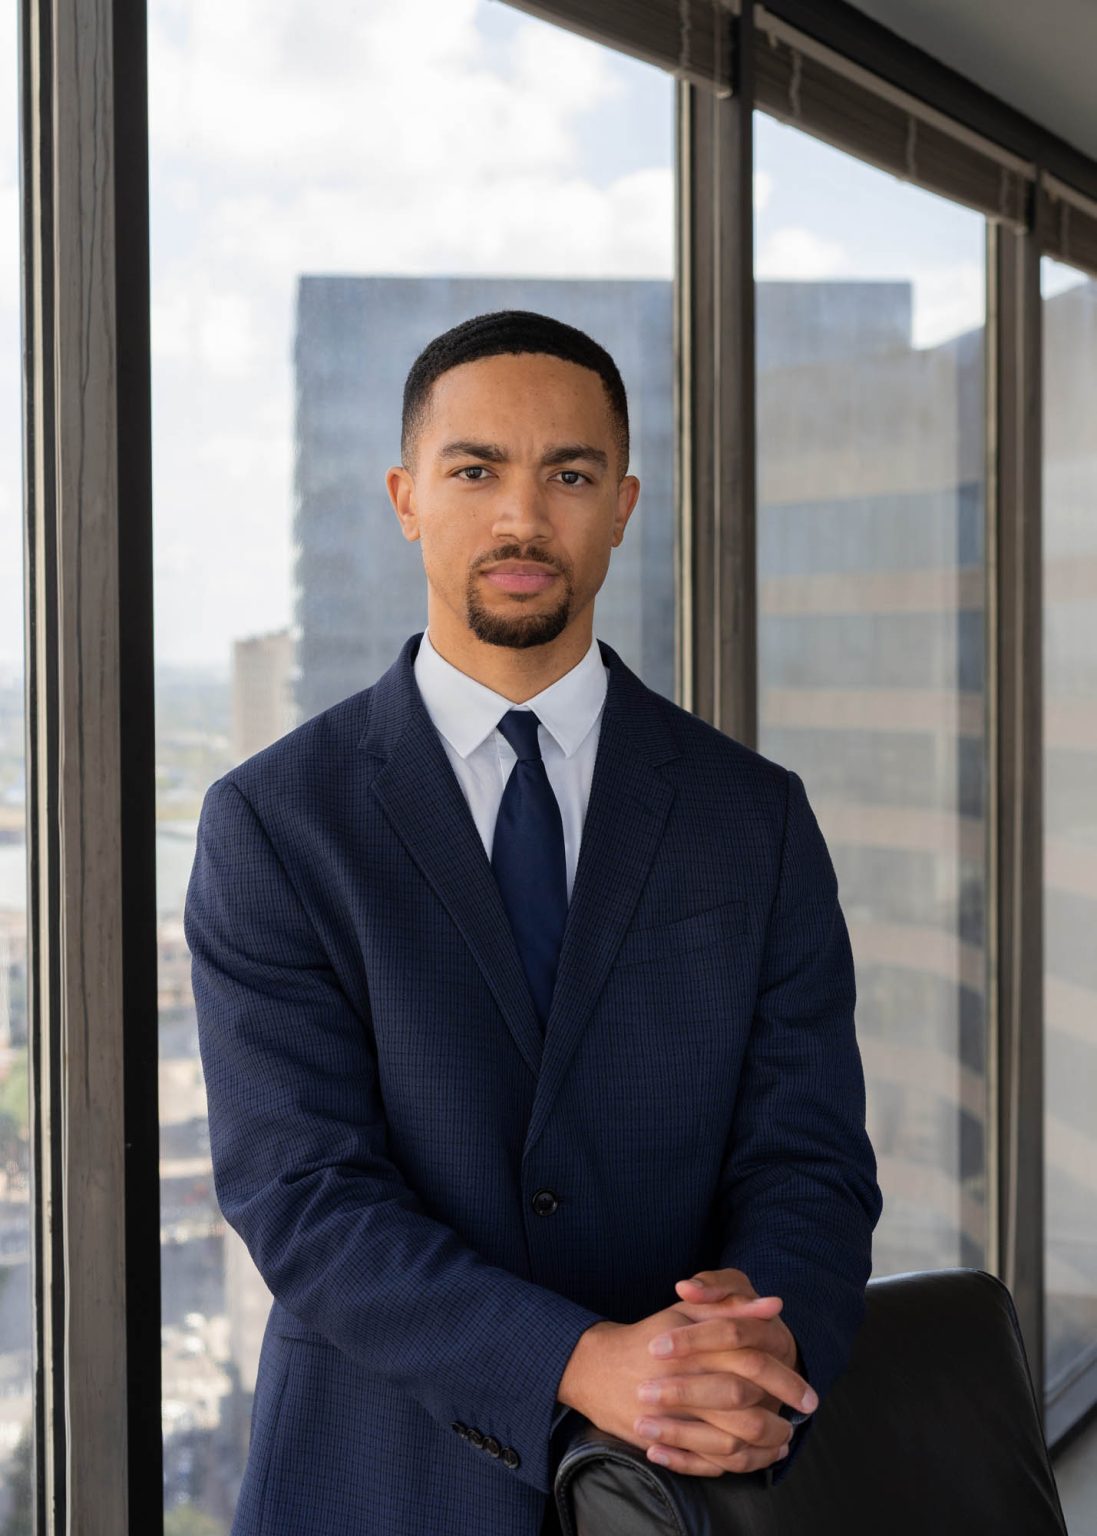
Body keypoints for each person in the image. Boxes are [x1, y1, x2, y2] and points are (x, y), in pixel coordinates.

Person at [184, 308, 883, 1536]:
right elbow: (303, 1193)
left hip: (691, 1484)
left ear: (620, 503)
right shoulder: (275, 823)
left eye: (566, 474)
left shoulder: (751, 819)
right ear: (406, 497)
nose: (521, 517)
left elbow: (810, 1164)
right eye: (474, 471)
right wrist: (582, 1360)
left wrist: (742, 1347)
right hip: (378, 1484)